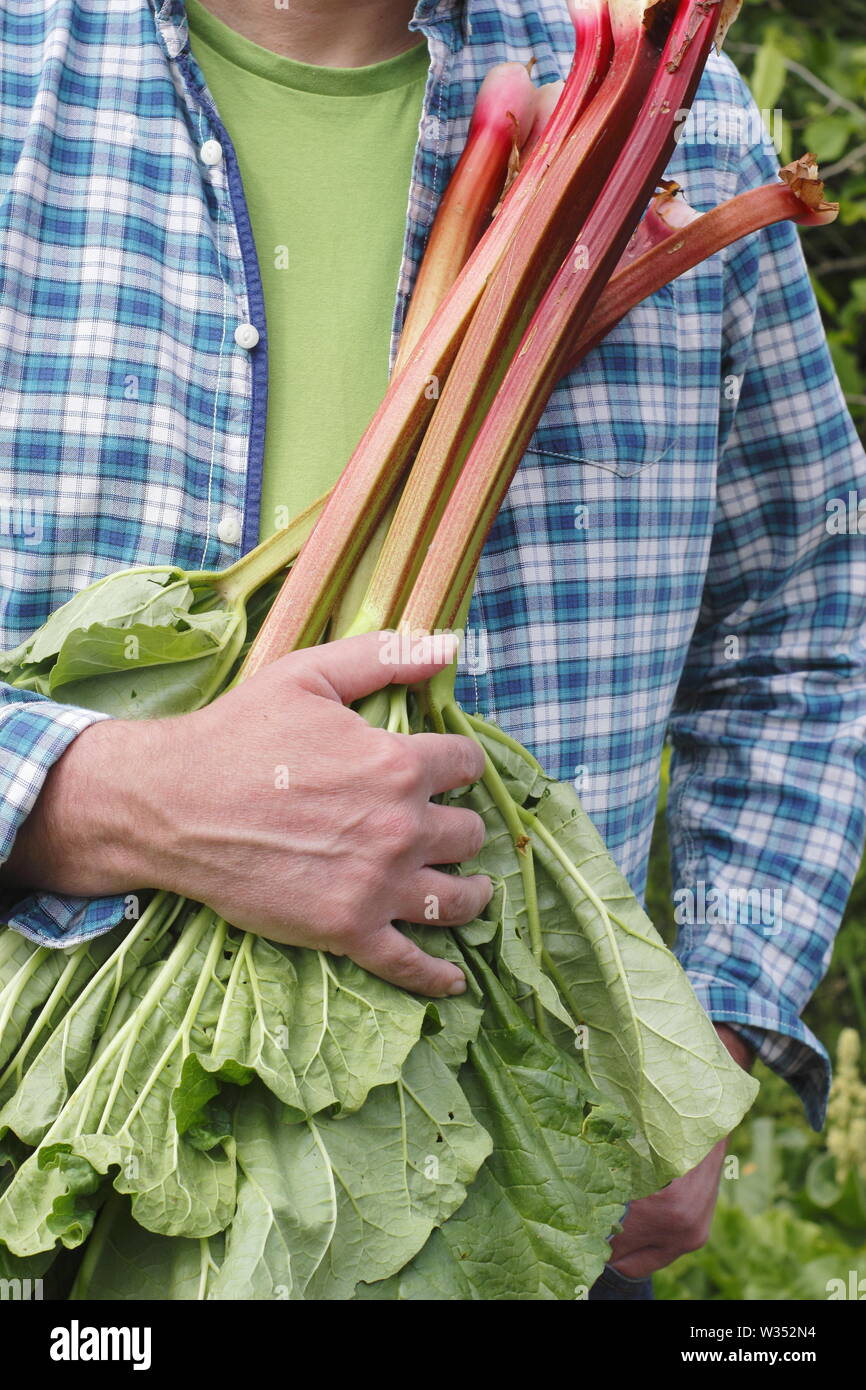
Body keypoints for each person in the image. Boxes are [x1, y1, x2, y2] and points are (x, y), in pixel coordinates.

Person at [0, 0, 863, 1297]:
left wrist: (715, 1026)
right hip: (44, 1128)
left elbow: (801, 629)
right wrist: (105, 800)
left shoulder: (665, 112)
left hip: (519, 1181)